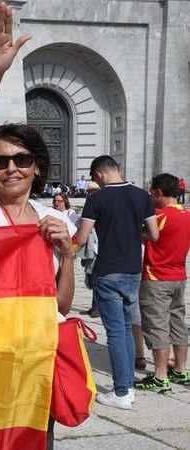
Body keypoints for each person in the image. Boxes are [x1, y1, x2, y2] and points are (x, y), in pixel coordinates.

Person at [0, 5, 74, 447]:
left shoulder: (55, 219)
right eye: (1, 161)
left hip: (34, 368)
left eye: (21, 159)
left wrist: (67, 255)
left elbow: (60, 308)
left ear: (37, 169)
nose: (11, 168)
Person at [75, 155, 159, 410]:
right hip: (133, 270)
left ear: (98, 175)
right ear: (118, 170)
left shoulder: (97, 199)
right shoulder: (142, 196)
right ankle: (127, 387)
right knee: (126, 327)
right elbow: (154, 234)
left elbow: (81, 237)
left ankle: (122, 391)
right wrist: (135, 232)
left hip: (108, 271)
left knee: (116, 332)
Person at [133, 173, 190, 393]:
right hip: (179, 277)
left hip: (157, 278)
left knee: (156, 326)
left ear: (158, 192)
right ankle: (181, 370)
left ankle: (160, 376)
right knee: (177, 323)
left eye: (151, 192)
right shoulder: (186, 216)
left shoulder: (160, 216)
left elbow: (145, 233)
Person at [79, 182, 101, 318]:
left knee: (97, 279)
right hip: (90, 249)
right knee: (91, 278)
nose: (89, 194)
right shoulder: (89, 205)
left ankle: (98, 307)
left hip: (99, 248)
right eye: (88, 192)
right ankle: (94, 306)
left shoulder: (101, 205)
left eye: (92, 192)